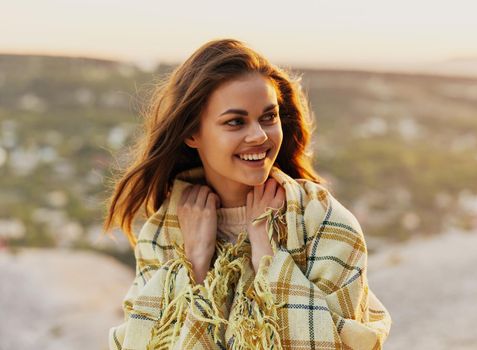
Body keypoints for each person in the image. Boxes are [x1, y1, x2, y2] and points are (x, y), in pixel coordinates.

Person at [103, 38, 391, 349]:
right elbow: (141, 342)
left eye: (269, 117)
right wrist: (196, 263)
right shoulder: (164, 233)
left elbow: (346, 345)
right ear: (191, 133)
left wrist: (268, 256)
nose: (259, 135)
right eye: (235, 122)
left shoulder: (323, 221)